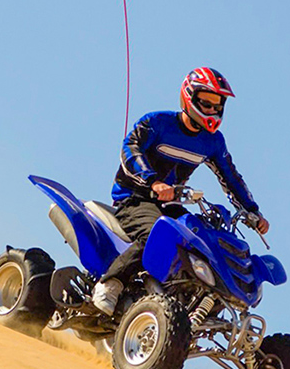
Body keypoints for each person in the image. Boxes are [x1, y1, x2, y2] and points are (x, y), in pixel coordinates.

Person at [91, 67, 269, 314]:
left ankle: (184, 300)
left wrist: (252, 210)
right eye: (206, 103)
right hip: (134, 198)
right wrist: (153, 182)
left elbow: (231, 176)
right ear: (190, 98)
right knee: (158, 233)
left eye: (217, 105)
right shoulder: (157, 123)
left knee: (201, 242)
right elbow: (130, 149)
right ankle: (110, 283)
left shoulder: (213, 141)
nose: (211, 110)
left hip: (170, 204)